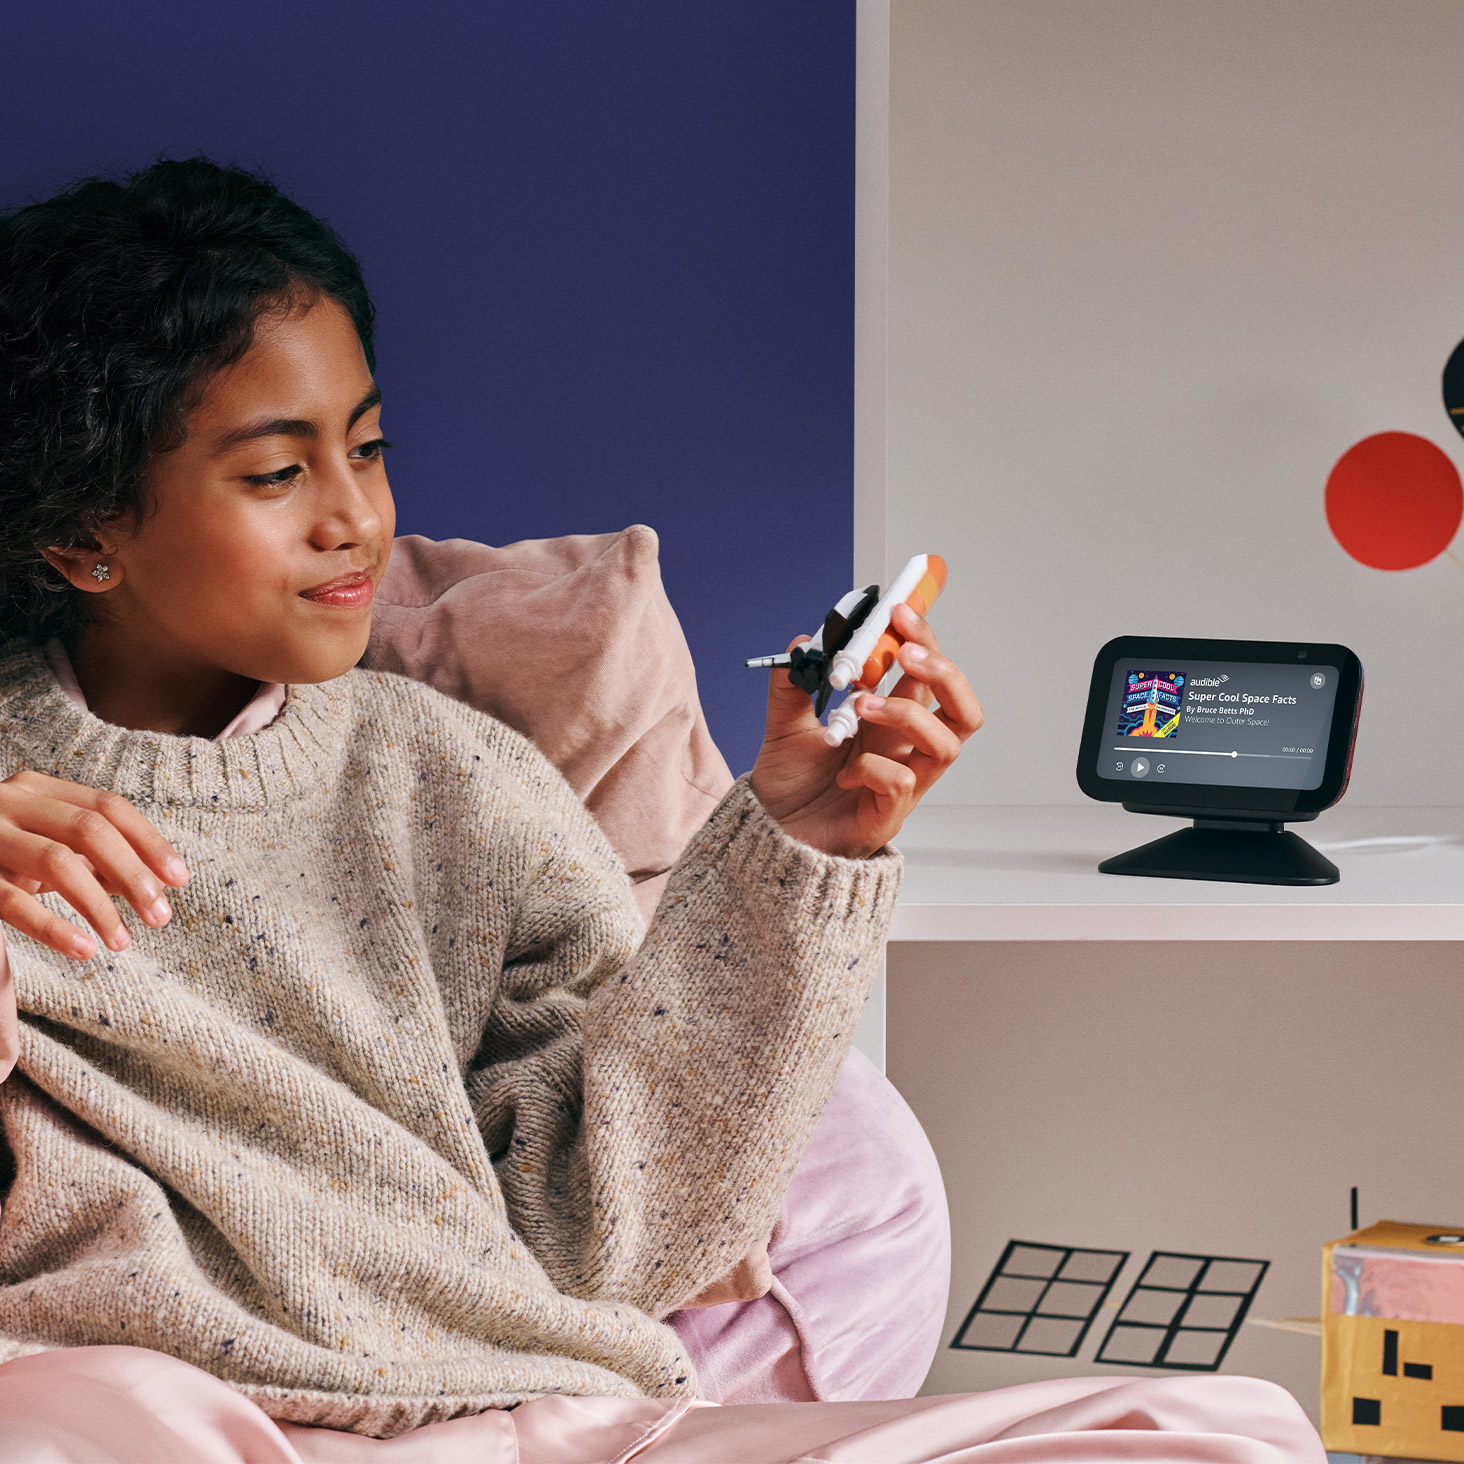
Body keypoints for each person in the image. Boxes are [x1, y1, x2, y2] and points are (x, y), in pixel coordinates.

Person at [0, 159, 1323, 1462]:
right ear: (84, 537)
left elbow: (605, 1230)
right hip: (147, 1418)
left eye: (368, 447)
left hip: (520, 1412)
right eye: (278, 475)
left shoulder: (458, 780)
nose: (358, 518)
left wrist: (801, 844)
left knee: (1216, 1429)